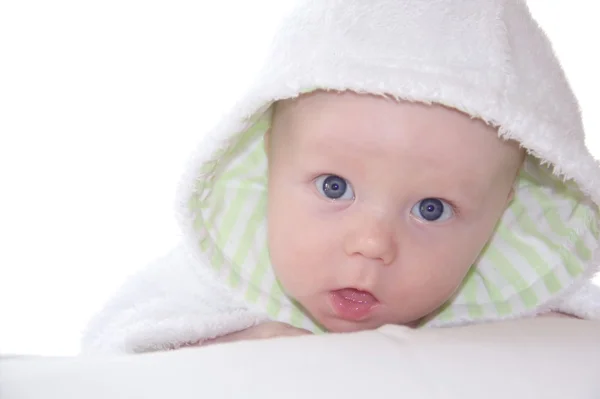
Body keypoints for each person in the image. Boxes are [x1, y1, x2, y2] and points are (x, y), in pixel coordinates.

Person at [81, 0, 600, 353]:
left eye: (431, 209)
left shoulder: (516, 289)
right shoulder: (220, 275)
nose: (372, 243)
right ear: (268, 160)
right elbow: (109, 351)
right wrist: (239, 345)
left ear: (501, 211)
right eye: (335, 187)